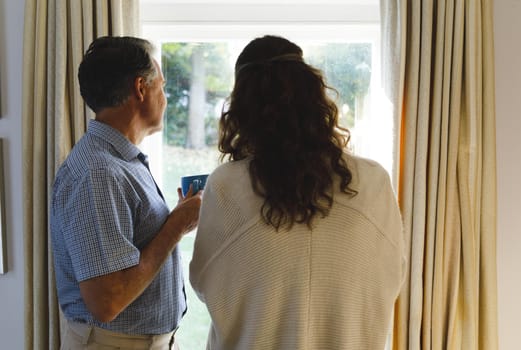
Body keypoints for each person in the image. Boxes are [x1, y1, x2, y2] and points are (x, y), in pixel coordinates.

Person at [189, 35, 406, 350]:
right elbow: (391, 278)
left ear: (242, 110)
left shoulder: (226, 186)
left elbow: (205, 283)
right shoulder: (372, 182)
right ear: (314, 97)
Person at [50, 36, 202, 349]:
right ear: (140, 88)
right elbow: (107, 301)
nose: (165, 96)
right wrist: (176, 226)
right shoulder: (99, 174)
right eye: (161, 85)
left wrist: (178, 218)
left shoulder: (118, 163)